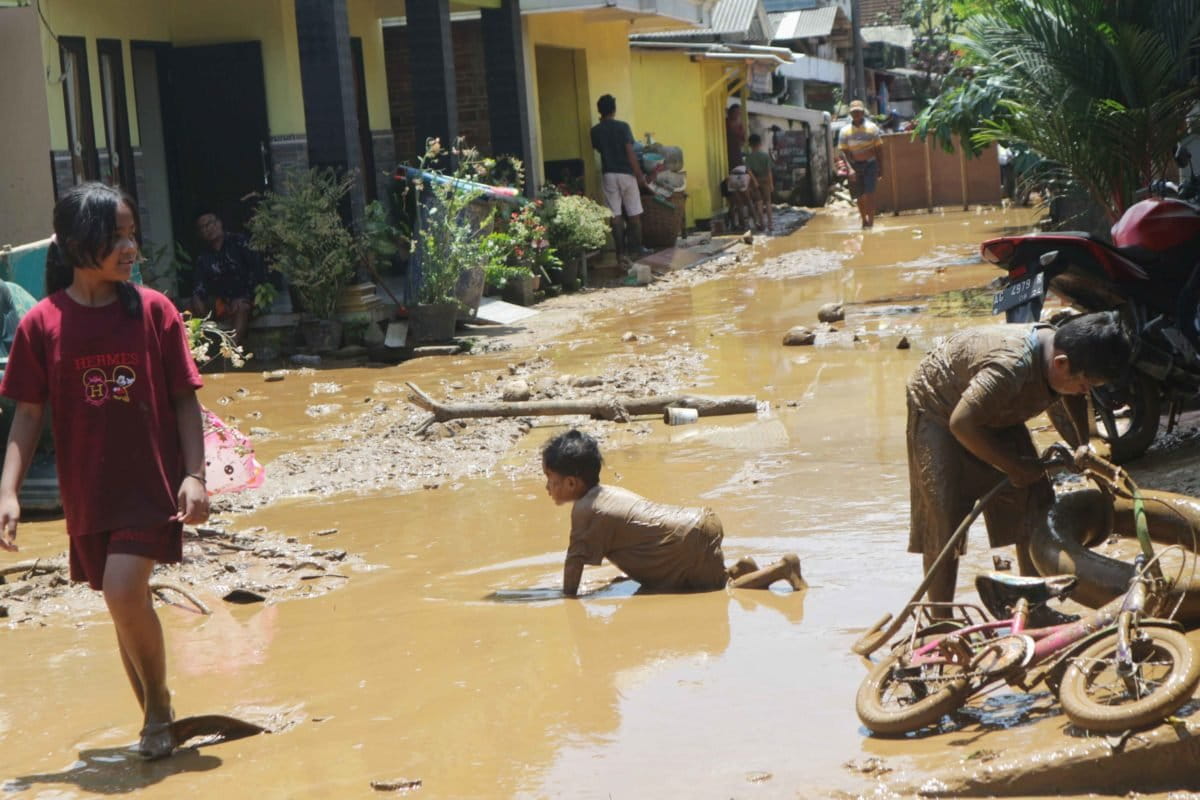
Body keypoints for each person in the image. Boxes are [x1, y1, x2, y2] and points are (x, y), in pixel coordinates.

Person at [0, 183, 209, 760]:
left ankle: (160, 705)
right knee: (122, 604)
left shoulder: (154, 312)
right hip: (88, 494)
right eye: (113, 236)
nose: (129, 246)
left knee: (122, 589)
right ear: (73, 245)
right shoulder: (41, 325)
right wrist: (8, 492)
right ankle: (153, 719)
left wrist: (196, 474)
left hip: (151, 485)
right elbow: (28, 415)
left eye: (131, 233)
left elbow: (185, 399)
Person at [905, 312, 1132, 611]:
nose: (1086, 391)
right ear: (1060, 364)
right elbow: (961, 423)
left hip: (994, 411)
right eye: (1086, 384)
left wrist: (1081, 443)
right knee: (945, 517)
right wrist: (1013, 466)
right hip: (940, 410)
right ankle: (939, 617)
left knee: (1035, 500)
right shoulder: (1009, 367)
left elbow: (1073, 395)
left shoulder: (1065, 354)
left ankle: (1032, 605)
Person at [542, 430, 805, 596]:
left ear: (571, 483)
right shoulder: (607, 494)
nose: (547, 487)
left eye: (550, 479)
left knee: (723, 592)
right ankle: (742, 568)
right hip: (696, 525)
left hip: (686, 540)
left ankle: (782, 568)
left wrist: (567, 599)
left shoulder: (585, 511)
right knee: (708, 580)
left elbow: (574, 563)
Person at [590, 95, 652, 265]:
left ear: (599, 110)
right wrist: (639, 175)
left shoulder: (595, 131)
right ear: (614, 109)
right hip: (626, 174)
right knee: (634, 213)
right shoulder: (623, 127)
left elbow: (599, 149)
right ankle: (636, 249)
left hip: (608, 174)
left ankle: (620, 253)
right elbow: (630, 152)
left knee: (615, 215)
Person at [191, 211, 265, 345]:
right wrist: (197, 300)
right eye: (203, 227)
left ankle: (231, 350)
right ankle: (202, 350)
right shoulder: (203, 257)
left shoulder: (239, 242)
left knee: (241, 307)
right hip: (223, 303)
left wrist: (245, 296)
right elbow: (199, 285)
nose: (208, 228)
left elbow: (257, 271)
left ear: (219, 223)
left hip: (248, 299)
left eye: (211, 223)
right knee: (191, 305)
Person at [837, 100, 885, 229]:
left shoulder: (872, 128)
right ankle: (864, 220)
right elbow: (843, 152)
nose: (856, 114)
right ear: (850, 114)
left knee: (870, 194)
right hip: (854, 166)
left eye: (858, 111)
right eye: (854, 112)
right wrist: (850, 169)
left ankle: (871, 222)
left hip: (871, 164)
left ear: (863, 112)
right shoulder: (844, 131)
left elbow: (879, 150)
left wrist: (881, 167)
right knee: (859, 196)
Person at [725, 104, 761, 231]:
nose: (737, 115)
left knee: (743, 198)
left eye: (739, 113)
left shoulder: (739, 126)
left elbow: (743, 140)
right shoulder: (726, 124)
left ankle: (751, 222)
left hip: (737, 163)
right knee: (737, 200)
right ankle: (744, 223)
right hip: (729, 163)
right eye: (736, 113)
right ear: (730, 113)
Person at [745, 133, 774, 233]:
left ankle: (762, 224)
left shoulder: (748, 157)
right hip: (765, 181)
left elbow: (749, 171)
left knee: (759, 203)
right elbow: (769, 172)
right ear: (760, 144)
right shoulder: (765, 156)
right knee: (768, 203)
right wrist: (771, 184)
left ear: (750, 145)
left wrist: (755, 181)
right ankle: (770, 225)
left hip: (755, 183)